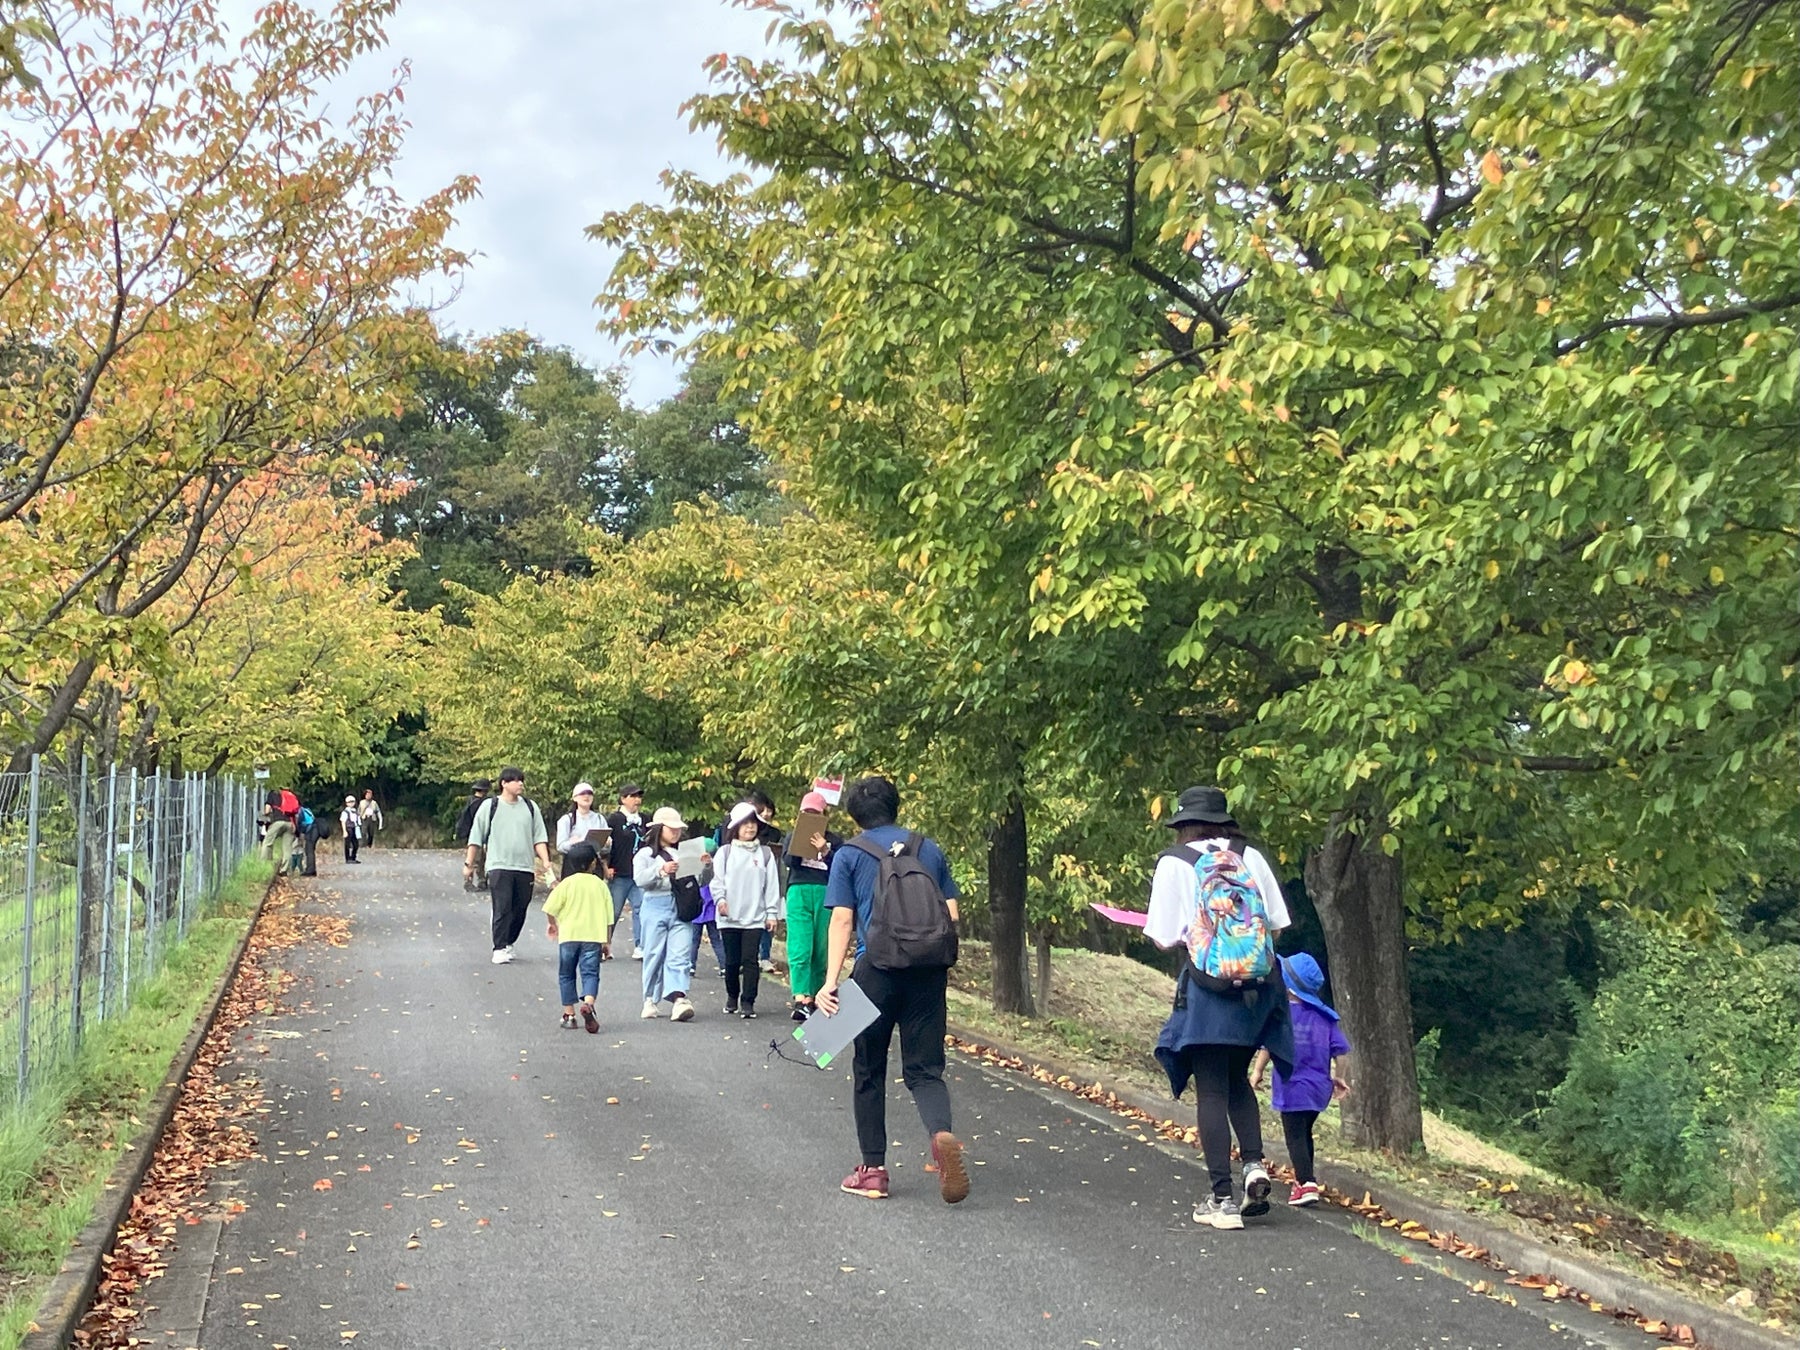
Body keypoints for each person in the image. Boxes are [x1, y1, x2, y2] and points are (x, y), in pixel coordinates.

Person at [1144, 785, 1295, 1232]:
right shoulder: (1251, 855)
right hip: (1257, 990)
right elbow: (1276, 925)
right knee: (1236, 1080)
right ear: (1223, 820)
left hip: (1209, 991)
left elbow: (1162, 936)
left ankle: (1222, 1200)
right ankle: (1253, 1166)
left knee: (1210, 1088)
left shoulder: (1175, 862)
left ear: (1183, 824)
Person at [817, 776, 969, 1204]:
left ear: (854, 816)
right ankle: (941, 1135)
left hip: (876, 971)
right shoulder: (929, 849)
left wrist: (830, 984)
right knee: (925, 1070)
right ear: (896, 807)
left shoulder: (849, 854)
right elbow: (951, 913)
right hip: (927, 972)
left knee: (868, 1068)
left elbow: (842, 920)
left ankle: (873, 1171)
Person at [1252, 953, 1350, 1207]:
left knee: (1294, 1136)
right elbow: (1342, 1051)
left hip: (1291, 1085)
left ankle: (1306, 1183)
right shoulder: (1326, 1019)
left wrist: (1257, 1071)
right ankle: (1305, 1180)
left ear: (1287, 985)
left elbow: (1268, 1046)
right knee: (1304, 1133)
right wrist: (1339, 1077)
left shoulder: (1283, 1016)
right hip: (1319, 1088)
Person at [462, 766, 552, 965]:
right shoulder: (490, 806)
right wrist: (469, 863)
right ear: (504, 783)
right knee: (502, 906)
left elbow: (539, 837)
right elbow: (476, 837)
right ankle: (499, 946)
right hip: (499, 865)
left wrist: (545, 862)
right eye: (515, 780)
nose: (520, 784)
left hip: (525, 867)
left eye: (521, 780)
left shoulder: (530, 807)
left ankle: (509, 941)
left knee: (520, 908)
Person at [633, 806, 710, 1022]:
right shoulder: (645, 854)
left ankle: (679, 997)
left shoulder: (685, 852)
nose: (675, 833)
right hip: (655, 905)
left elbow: (699, 882)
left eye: (678, 829)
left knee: (680, 954)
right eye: (671, 828)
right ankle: (650, 998)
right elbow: (640, 880)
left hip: (680, 906)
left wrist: (705, 867)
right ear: (659, 828)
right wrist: (661, 870)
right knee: (654, 954)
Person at [713, 802, 783, 1018]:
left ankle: (748, 1001)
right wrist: (720, 900)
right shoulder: (724, 853)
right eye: (745, 825)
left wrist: (772, 913)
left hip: (755, 917)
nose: (750, 829)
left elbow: (772, 885)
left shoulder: (765, 854)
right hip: (729, 917)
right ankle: (732, 996)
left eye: (753, 824)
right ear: (735, 827)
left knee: (750, 961)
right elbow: (717, 882)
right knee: (732, 961)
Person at [782, 790, 843, 1021]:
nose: (809, 816)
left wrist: (824, 848)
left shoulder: (835, 840)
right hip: (799, 890)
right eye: (805, 812)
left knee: (821, 947)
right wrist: (800, 842)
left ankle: (818, 996)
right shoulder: (792, 836)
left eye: (814, 813)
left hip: (825, 893)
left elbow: (841, 866)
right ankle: (800, 997)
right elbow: (788, 861)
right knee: (800, 945)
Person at [543, 842, 614, 1034]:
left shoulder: (567, 884)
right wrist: (606, 942)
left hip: (569, 936)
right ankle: (589, 1004)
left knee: (566, 974)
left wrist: (553, 924)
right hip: (593, 937)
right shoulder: (600, 885)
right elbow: (609, 918)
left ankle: (569, 1015)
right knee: (590, 973)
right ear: (593, 863)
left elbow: (550, 908)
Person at [605, 783, 649, 958]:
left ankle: (641, 945)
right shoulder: (614, 819)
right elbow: (606, 846)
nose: (637, 800)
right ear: (623, 799)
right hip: (619, 872)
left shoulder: (645, 819)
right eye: (633, 796)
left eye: (639, 796)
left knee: (641, 909)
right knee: (613, 911)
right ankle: (605, 944)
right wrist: (606, 866)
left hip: (639, 874)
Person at [455, 780, 492, 889]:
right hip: (481, 833)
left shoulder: (471, 802)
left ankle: (473, 880)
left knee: (474, 859)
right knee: (480, 859)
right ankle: (479, 880)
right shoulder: (485, 803)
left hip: (471, 834)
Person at [555, 782, 607, 855]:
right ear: (574, 798)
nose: (586, 796)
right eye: (582, 793)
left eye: (589, 793)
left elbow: (605, 849)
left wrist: (607, 843)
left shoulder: (599, 819)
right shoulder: (566, 820)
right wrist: (575, 842)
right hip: (574, 863)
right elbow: (560, 847)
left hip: (595, 862)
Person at [340, 795, 362, 864]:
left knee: (356, 844)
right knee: (347, 844)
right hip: (348, 828)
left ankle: (353, 857)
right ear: (346, 803)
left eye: (352, 802)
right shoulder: (345, 812)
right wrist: (344, 831)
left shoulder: (355, 811)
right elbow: (343, 821)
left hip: (355, 828)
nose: (351, 803)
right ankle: (347, 859)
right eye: (349, 802)